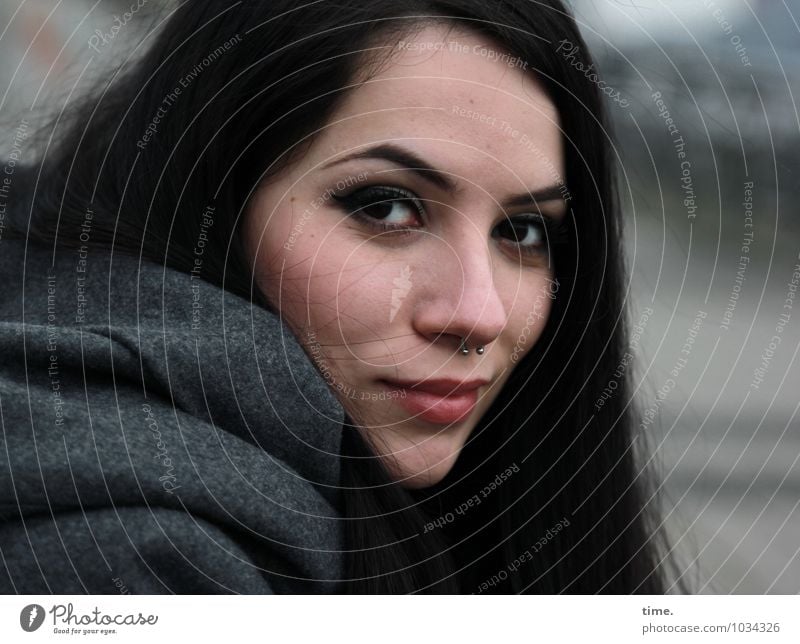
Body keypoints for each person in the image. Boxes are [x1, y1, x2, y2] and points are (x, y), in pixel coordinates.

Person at [0, 0, 682, 594]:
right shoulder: (134, 561)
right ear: (212, 196)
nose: (480, 313)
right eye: (387, 209)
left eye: (523, 230)